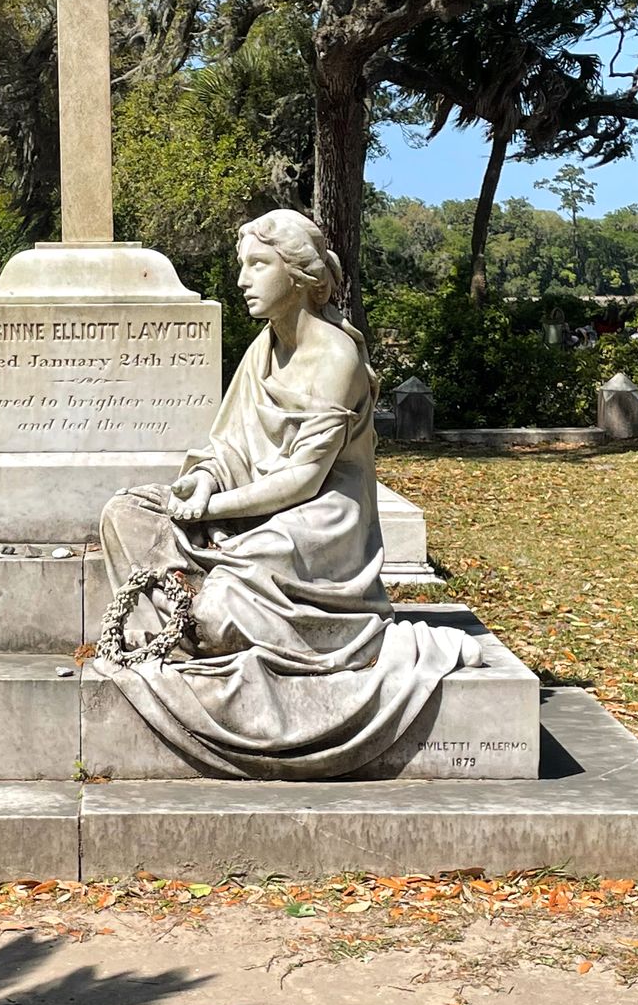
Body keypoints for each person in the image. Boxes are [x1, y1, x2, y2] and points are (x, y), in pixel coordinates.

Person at [95, 210, 478, 780]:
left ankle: (207, 612)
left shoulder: (337, 357)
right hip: (250, 503)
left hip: (321, 519)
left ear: (298, 274)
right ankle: (186, 613)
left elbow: (303, 478)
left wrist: (211, 508)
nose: (243, 279)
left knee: (222, 610)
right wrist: (203, 481)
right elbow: (227, 446)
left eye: (258, 265)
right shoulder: (263, 349)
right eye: (242, 266)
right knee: (122, 513)